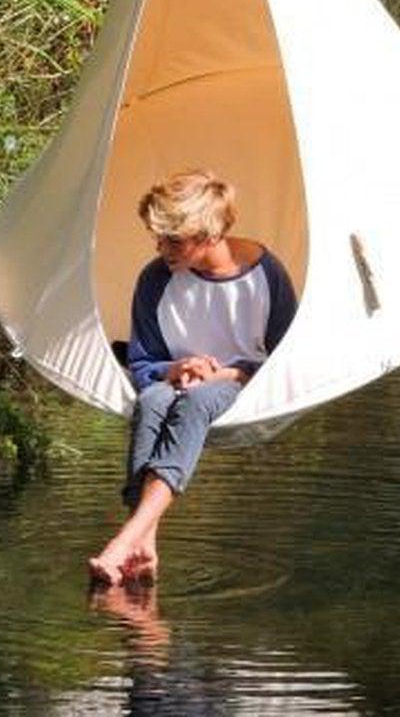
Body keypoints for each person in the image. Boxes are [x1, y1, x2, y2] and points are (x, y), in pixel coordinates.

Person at [88, 169, 297, 586]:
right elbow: (143, 364)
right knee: (151, 402)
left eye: (173, 240)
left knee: (199, 402)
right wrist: (176, 368)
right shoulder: (155, 279)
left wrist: (231, 372)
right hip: (173, 385)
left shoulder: (266, 276)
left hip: (241, 383)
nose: (161, 248)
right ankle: (144, 544)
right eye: (158, 238)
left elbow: (288, 360)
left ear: (208, 234)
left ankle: (127, 539)